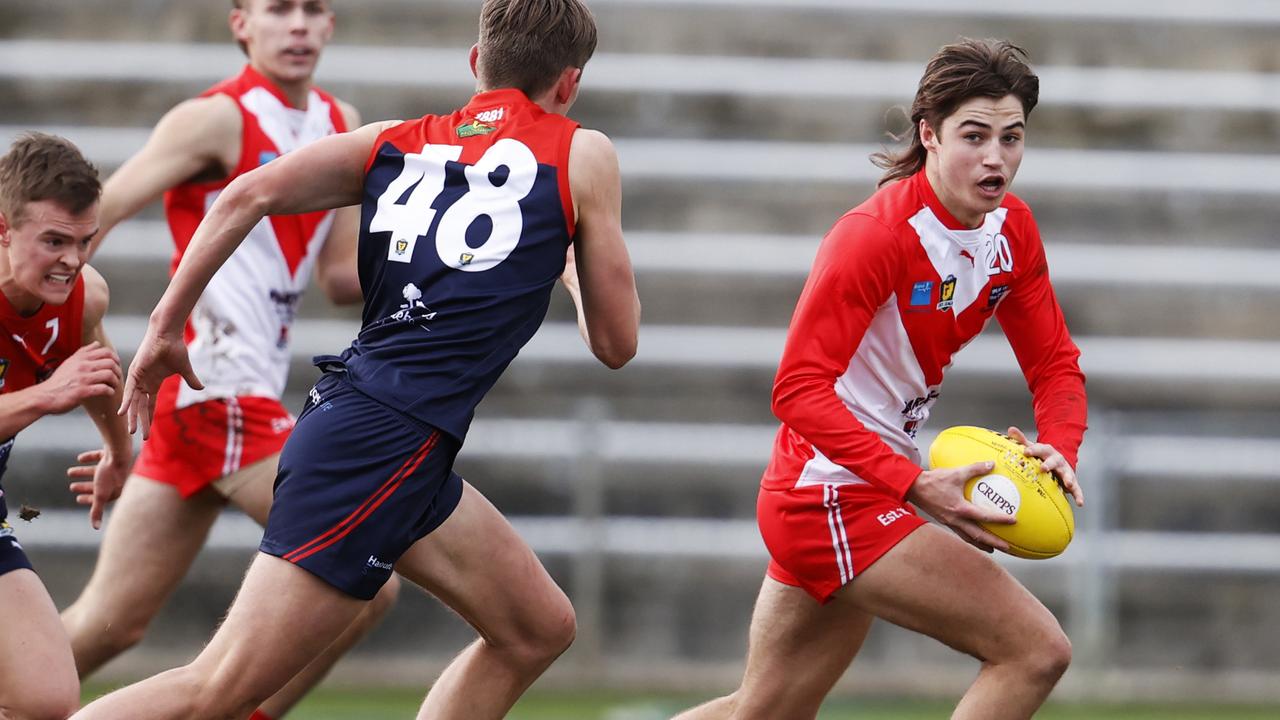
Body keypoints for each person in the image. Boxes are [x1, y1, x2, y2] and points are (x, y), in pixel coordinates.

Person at [74, 0, 639, 717]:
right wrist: (571, 276)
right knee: (216, 689)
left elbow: (246, 194)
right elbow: (617, 346)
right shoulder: (581, 150)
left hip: (382, 426)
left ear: (476, 66)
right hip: (384, 439)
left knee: (536, 627)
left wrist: (162, 327)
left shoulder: (390, 140)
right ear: (571, 83)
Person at [673, 39, 1088, 720]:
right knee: (1036, 650)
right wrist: (912, 483)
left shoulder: (1012, 229)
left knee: (765, 713)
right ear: (928, 134)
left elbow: (1055, 364)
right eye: (974, 136)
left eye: (1012, 138)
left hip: (864, 483)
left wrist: (1061, 445)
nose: (996, 157)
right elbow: (797, 390)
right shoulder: (873, 237)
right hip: (828, 496)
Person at [58, 2, 397, 718]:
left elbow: (341, 277)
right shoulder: (214, 119)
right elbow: (103, 210)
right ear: (241, 23)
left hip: (208, 409)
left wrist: (458, 266)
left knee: (107, 626)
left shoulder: (342, 122)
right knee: (366, 575)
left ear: (332, 25)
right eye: (280, 9)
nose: (299, 25)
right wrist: (65, 297)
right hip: (218, 394)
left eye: (314, 10)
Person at [0, 132, 131, 719]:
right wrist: (46, 395)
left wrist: (119, 452)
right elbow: (61, 388)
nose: (72, 262)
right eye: (53, 241)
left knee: (46, 698)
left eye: (84, 242)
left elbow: (97, 369)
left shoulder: (84, 295)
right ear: (4, 230)